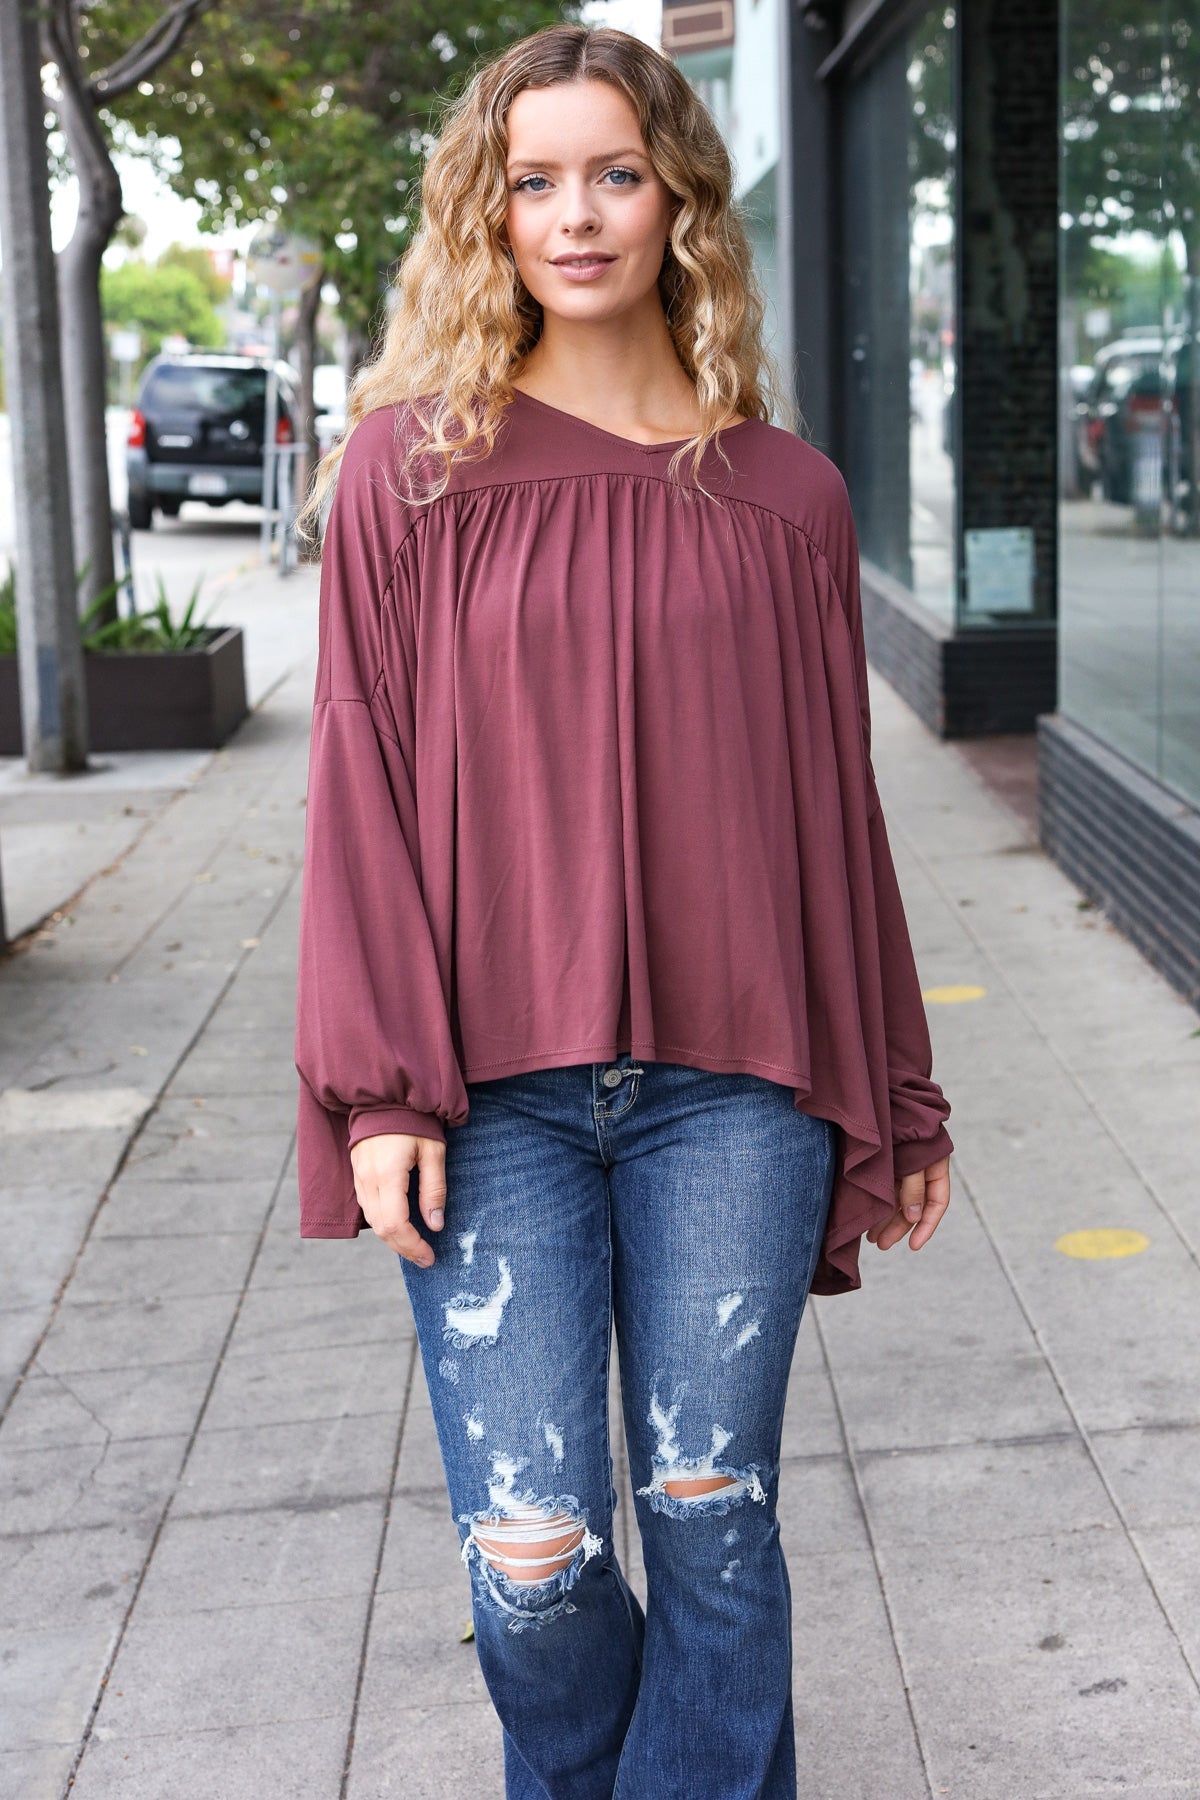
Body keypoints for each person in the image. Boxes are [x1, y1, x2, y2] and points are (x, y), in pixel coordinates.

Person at [293, 22, 953, 1798]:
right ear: (488, 213)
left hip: (735, 1091)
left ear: (680, 201)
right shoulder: (408, 476)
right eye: (534, 181)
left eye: (614, 175)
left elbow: (837, 820)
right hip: (484, 1095)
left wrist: (900, 1093)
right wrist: (378, 1092)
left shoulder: (789, 499)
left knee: (714, 1513)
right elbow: (357, 785)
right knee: (531, 1554)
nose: (574, 217)